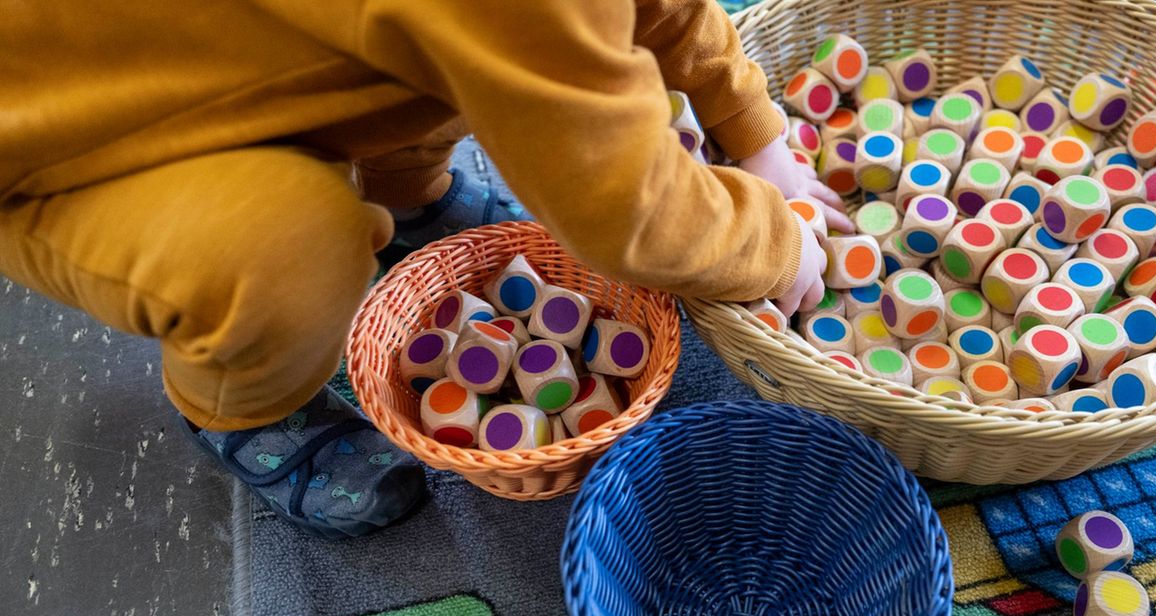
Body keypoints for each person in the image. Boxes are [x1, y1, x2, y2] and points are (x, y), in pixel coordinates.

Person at [0, 0, 850, 538]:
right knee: (288, 250)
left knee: (446, 60)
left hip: (255, 63)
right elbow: (624, 206)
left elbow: (650, 11)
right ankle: (243, 407)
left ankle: (407, 195)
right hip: (62, 145)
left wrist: (756, 133)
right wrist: (778, 243)